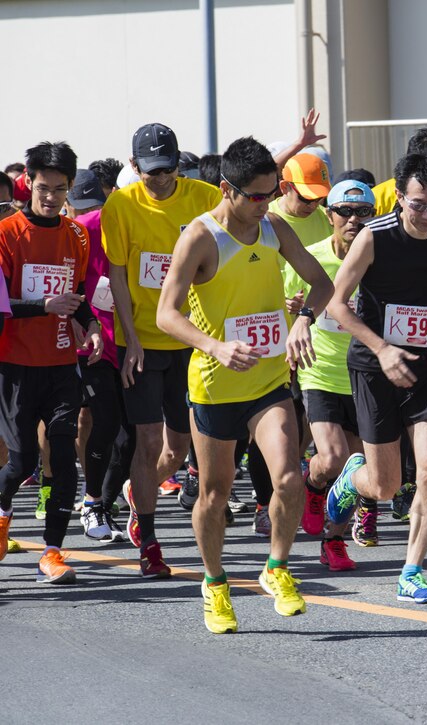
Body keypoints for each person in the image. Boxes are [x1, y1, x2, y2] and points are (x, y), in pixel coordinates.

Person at [157, 136, 332, 634]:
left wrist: (305, 320)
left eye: (271, 193)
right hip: (216, 385)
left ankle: (276, 568)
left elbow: (322, 283)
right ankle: (214, 583)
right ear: (226, 189)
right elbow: (166, 314)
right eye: (256, 196)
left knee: (289, 478)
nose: (267, 204)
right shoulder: (200, 237)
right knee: (214, 494)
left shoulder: (274, 227)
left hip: (270, 378)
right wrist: (215, 347)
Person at [324, 151, 427, 605]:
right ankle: (355, 478)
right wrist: (382, 348)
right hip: (375, 367)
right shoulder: (374, 237)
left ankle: (412, 570)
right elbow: (336, 304)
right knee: (386, 484)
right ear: (398, 199)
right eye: (418, 204)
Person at [101, 122, 221, 577]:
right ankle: (149, 542)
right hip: (143, 343)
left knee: (179, 448)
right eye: (151, 172)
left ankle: (138, 490)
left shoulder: (205, 198)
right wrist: (129, 339)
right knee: (149, 440)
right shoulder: (121, 204)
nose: (161, 178)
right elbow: (116, 276)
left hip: (191, 340)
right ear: (135, 167)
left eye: (167, 169)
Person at [0, 141, 103, 584]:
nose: (51, 197)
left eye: (60, 190)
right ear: (28, 182)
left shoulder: (76, 233)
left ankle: (53, 551)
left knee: (62, 458)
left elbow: (76, 294)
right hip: (15, 364)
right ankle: (1, 521)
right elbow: (2, 301)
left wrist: (91, 324)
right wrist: (45, 305)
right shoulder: (6, 234)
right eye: (43, 188)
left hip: (62, 363)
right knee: (21, 461)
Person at [285, 179, 375, 570]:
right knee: (334, 456)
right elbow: (286, 309)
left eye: (363, 213)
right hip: (319, 370)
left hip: (363, 374)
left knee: (355, 464)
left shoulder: (378, 258)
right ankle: (312, 483)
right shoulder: (312, 257)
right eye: (345, 211)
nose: (353, 220)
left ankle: (333, 541)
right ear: (329, 214)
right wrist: (294, 311)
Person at [67, 169, 129, 542]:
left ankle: (102, 502)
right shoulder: (84, 228)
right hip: (95, 342)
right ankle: (92, 502)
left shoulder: (154, 224)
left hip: (136, 341)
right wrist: (80, 320)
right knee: (103, 421)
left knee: (133, 434)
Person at [270, 152, 333, 257]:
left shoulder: (328, 220)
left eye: (319, 198)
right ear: (285, 187)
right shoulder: (261, 220)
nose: (313, 206)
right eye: (305, 198)